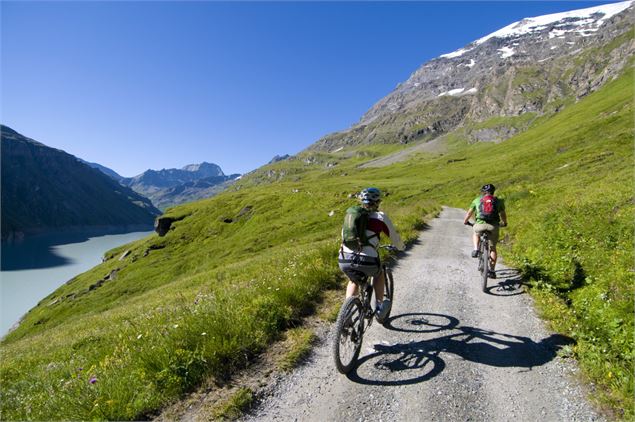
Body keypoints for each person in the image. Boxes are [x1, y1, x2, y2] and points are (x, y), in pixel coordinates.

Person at [338, 187, 405, 320]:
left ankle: (345, 317)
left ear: (361, 201)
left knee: (353, 281)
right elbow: (394, 237)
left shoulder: (351, 216)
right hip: (367, 260)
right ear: (378, 202)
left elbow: (344, 236)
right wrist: (401, 247)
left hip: (345, 259)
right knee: (379, 273)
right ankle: (379, 307)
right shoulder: (380, 217)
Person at [463, 184, 508, 279]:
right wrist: (504, 223)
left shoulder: (477, 200)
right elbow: (503, 214)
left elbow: (469, 213)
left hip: (479, 225)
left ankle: (475, 249)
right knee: (493, 248)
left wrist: (465, 221)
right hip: (493, 226)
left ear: (483, 192)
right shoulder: (498, 201)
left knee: (476, 233)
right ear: (493, 191)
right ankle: (492, 271)